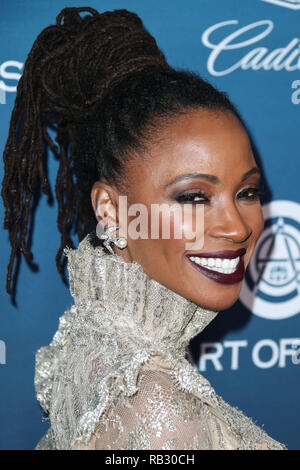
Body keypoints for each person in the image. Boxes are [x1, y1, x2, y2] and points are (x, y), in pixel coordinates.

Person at [1, 7, 287, 450]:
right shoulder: (154, 405)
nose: (236, 227)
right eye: (194, 197)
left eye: (247, 192)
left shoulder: (102, 338)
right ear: (111, 211)